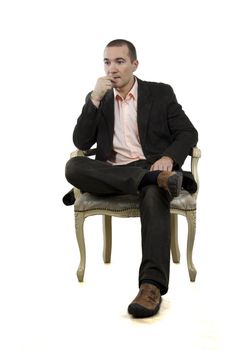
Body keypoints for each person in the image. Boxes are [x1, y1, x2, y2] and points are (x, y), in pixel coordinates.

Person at [64, 39, 198, 318]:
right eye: (107, 62)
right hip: (115, 175)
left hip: (152, 166)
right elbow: (80, 140)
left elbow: (188, 133)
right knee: (74, 167)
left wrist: (170, 159)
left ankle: (151, 287)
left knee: (152, 192)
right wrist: (94, 101)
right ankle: (149, 179)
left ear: (135, 64)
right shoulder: (98, 98)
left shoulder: (160, 94)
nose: (112, 68)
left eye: (119, 61)